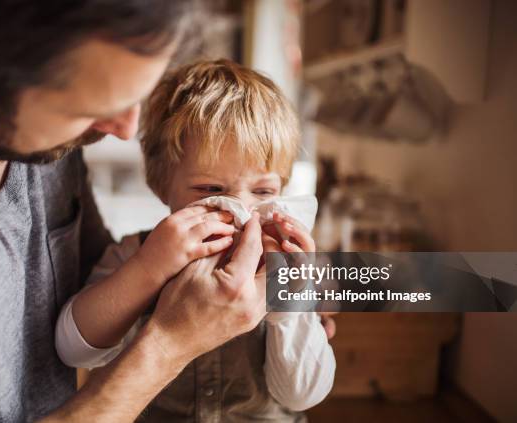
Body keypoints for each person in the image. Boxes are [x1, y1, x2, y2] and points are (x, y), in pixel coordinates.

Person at [0, 2, 275, 421]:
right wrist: (172, 342)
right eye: (88, 109)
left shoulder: (39, 135)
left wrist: (298, 299)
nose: (126, 130)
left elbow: (98, 287)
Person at [55, 60, 336, 422]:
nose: (243, 211)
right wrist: (148, 268)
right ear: (162, 184)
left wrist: (289, 305)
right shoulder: (136, 254)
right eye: (211, 190)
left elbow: (301, 396)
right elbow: (74, 351)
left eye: (263, 191)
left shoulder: (289, 266)